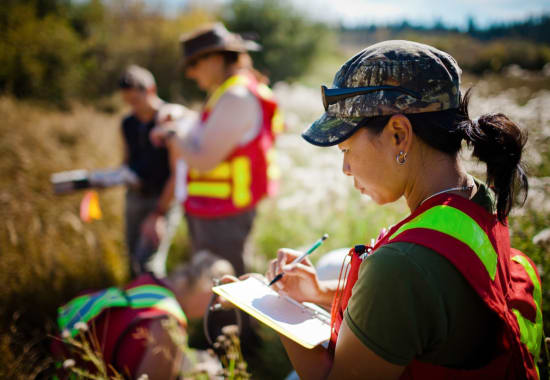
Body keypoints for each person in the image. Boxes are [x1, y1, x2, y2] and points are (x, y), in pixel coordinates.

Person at [257, 40, 543, 379]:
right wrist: (319, 293)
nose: (345, 168)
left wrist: (273, 310)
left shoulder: (401, 264)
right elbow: (432, 302)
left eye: (346, 148)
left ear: (398, 134)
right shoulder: (478, 201)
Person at [151, 23, 282, 276]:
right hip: (218, 209)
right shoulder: (229, 92)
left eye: (193, 64)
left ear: (216, 58)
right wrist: (181, 115)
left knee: (225, 294)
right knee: (219, 289)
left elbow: (203, 160)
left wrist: (172, 135)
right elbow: (212, 130)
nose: (190, 73)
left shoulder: (236, 97)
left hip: (223, 215)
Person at [52, 251, 232, 379]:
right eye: (216, 301)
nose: (214, 308)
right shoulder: (169, 325)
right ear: (208, 293)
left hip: (58, 359)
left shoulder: (149, 283)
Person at [118, 65, 195, 277]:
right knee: (133, 260)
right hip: (134, 198)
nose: (132, 107)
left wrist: (158, 213)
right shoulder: (127, 123)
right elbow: (126, 160)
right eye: (127, 102)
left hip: (162, 200)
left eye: (136, 101)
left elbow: (176, 173)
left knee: (149, 264)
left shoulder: (169, 120)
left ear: (150, 90)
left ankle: (156, 307)